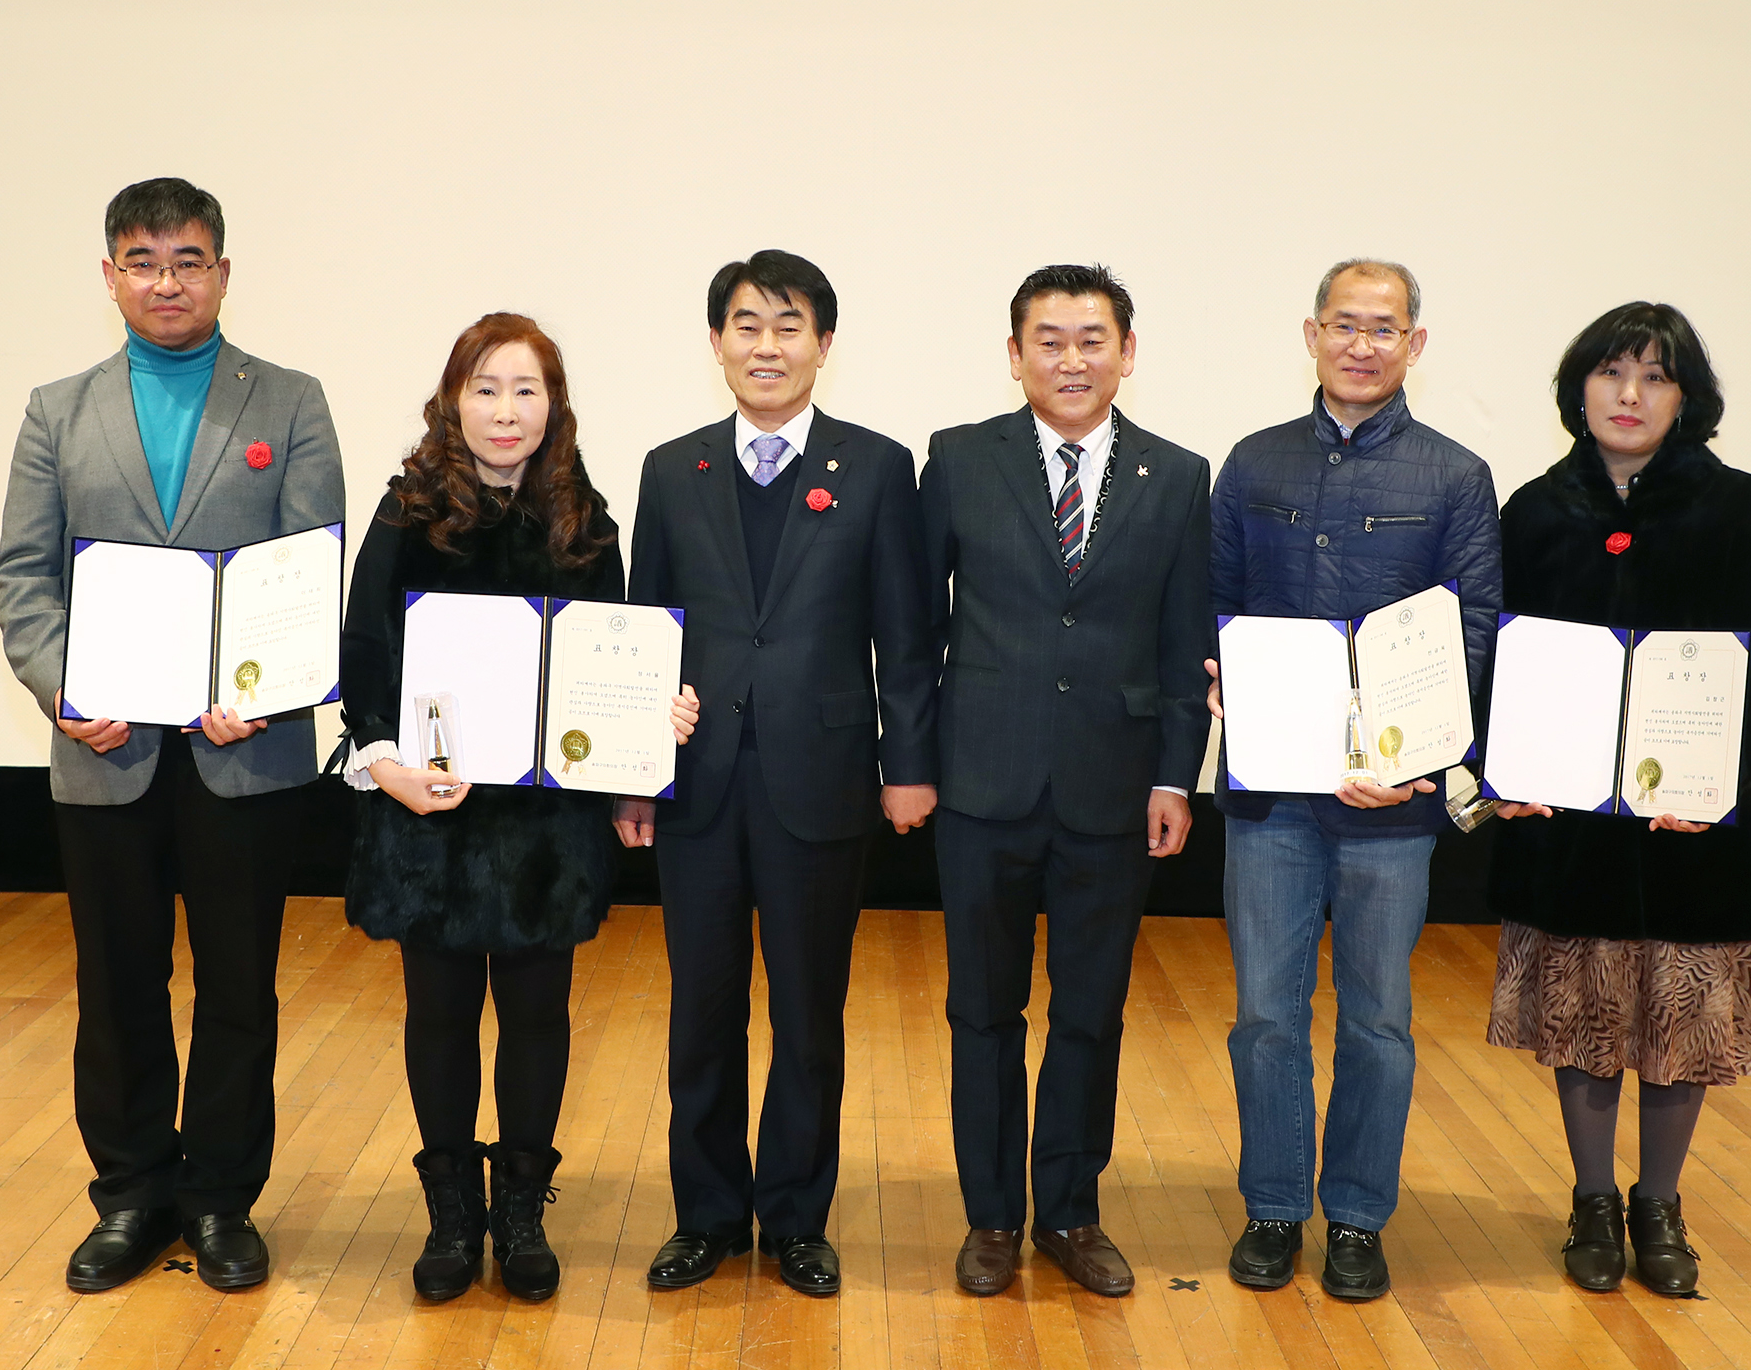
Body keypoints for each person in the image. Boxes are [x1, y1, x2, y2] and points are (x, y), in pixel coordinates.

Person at [0, 178, 344, 1292]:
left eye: (187, 260)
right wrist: (61, 692)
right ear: (110, 278)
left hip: (245, 752)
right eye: (142, 261)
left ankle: (221, 1200)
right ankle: (134, 1194)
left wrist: (274, 687)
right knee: (119, 984)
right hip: (106, 752)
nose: (166, 281)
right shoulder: (59, 407)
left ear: (224, 273)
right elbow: (25, 578)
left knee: (239, 986)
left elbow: (310, 571)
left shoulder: (288, 400)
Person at [337, 313, 697, 1301]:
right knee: (441, 1014)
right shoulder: (408, 509)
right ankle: (453, 1213)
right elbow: (363, 654)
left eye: (526, 389)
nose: (506, 410)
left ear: (555, 404)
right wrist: (383, 761)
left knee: (539, 1013)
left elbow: (617, 659)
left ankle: (521, 1211)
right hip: (431, 812)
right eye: (487, 388)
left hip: (547, 827)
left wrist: (651, 720)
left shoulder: (587, 520)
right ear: (454, 400)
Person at [619, 250, 938, 1297]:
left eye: (789, 326)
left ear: (825, 346)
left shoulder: (879, 467)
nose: (767, 345)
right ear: (717, 342)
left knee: (810, 1010)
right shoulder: (673, 469)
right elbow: (645, 630)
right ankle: (708, 1215)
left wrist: (908, 766)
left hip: (825, 778)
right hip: (699, 781)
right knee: (702, 1010)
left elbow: (905, 627)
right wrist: (633, 767)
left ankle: (797, 1216)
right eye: (746, 325)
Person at [1484, 302, 1751, 1297]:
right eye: (1612, 373)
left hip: (1692, 826)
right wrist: (1512, 768)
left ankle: (1658, 1203)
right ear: (1578, 389)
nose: (1630, 395)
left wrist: (1722, 783)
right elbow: (1506, 658)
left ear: (1686, 397)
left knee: (1676, 1022)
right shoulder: (1535, 510)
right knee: (1584, 1015)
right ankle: (1590, 1201)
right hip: (1568, 825)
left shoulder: (1741, 506)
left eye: (1654, 377)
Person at [1205, 258, 1500, 1300]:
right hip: (1274, 800)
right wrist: (1222, 680)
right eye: (1345, 325)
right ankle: (1276, 1208)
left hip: (1392, 809)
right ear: (1312, 334)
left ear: (1415, 343)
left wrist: (1400, 756)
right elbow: (1220, 611)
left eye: (1385, 328)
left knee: (1378, 1017)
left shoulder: (1456, 477)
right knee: (1266, 1015)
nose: (1363, 344)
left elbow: (1471, 631)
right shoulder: (1253, 465)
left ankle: (1360, 1219)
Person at [921, 264, 1211, 1298]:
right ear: (1015, 356)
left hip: (1114, 788)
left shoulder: (1178, 477)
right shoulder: (957, 461)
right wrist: (909, 765)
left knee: (1091, 1013)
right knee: (983, 1012)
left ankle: (1071, 1214)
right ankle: (993, 1216)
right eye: (1049, 340)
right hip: (980, 785)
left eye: (1093, 339)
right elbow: (914, 632)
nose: (1072, 359)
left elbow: (1185, 646)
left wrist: (1178, 778)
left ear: (1127, 354)